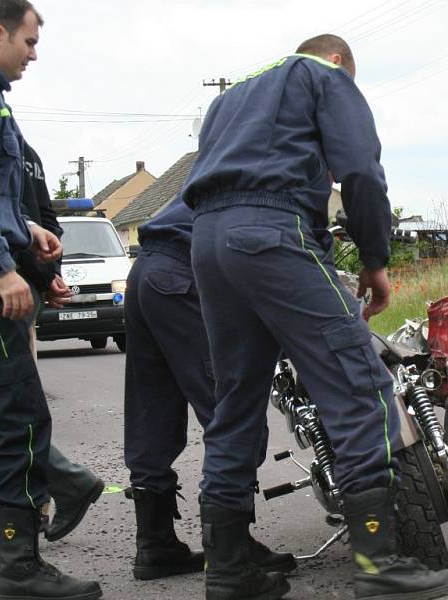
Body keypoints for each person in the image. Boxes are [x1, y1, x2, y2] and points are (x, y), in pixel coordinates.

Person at [182, 34, 448, 600]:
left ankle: (228, 571)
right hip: (273, 232)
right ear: (339, 60)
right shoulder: (324, 76)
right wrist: (375, 259)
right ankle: (379, 561)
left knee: (236, 403)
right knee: (359, 384)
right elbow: (361, 171)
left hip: (208, 241)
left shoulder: (230, 97)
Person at [124, 195, 295, 580]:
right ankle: (233, 550)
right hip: (182, 276)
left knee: (152, 408)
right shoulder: (281, 173)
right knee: (234, 411)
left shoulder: (224, 159)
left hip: (145, 274)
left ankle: (155, 544)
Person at [0, 2, 101, 598]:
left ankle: (14, 550)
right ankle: (19, 567)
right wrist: (2, 268)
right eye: (29, 42)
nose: (33, 54)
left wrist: (24, 229)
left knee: (5, 418)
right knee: (16, 420)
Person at [0, 141, 105, 556]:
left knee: (9, 408)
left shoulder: (5, 139)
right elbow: (46, 220)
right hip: (19, 284)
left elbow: (22, 218)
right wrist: (46, 274)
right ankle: (54, 490)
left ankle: (26, 517)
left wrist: (22, 274)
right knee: (8, 405)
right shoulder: (26, 150)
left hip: (4, 285)